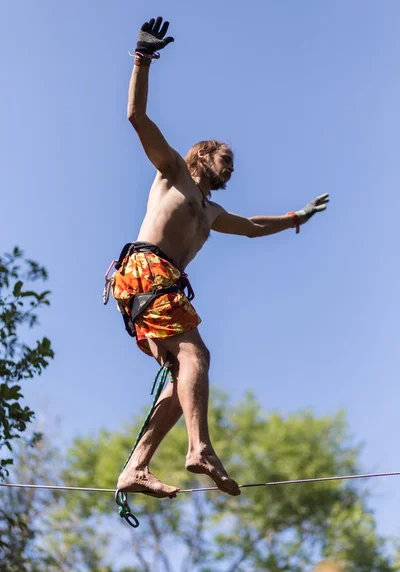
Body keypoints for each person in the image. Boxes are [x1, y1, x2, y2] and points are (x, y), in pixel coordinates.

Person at [111, 17, 329, 499]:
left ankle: (136, 467)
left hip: (156, 286)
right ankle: (199, 449)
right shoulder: (173, 173)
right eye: (225, 156)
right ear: (202, 155)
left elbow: (252, 228)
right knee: (197, 355)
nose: (232, 164)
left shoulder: (211, 211)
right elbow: (137, 118)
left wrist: (298, 217)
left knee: (179, 381)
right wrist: (142, 58)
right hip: (147, 272)